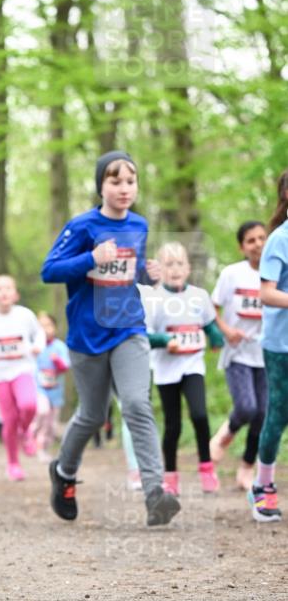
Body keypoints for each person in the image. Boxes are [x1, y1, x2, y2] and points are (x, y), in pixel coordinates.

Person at [41, 149, 180, 527]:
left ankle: (156, 493)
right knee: (92, 414)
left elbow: (128, 272)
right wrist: (90, 259)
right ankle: (64, 474)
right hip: (87, 334)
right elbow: (49, 271)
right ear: (101, 185)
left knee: (137, 403)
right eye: (114, 180)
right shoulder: (83, 226)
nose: (123, 188)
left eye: (130, 181)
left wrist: (148, 275)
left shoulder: (139, 225)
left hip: (128, 328)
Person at [142, 242, 224, 495]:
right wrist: (166, 341)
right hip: (166, 369)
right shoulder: (155, 299)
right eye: (168, 264)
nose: (175, 269)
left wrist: (216, 338)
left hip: (192, 365)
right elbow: (145, 335)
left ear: (188, 268)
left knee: (199, 415)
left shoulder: (198, 296)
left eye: (179, 263)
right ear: (161, 270)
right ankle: (171, 476)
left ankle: (206, 468)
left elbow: (209, 323)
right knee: (173, 425)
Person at [210, 221, 267, 490]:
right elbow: (211, 308)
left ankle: (246, 467)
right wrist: (226, 330)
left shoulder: (277, 273)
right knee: (246, 407)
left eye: (261, 238)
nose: (257, 244)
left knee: (263, 414)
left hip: (266, 354)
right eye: (251, 240)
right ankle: (225, 434)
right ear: (242, 247)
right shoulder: (232, 274)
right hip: (237, 353)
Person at [0, 275, 45, 480]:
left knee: (29, 405)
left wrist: (38, 346)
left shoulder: (25, 315)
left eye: (8, 288)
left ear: (16, 294)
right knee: (9, 419)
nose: (4, 292)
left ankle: (25, 430)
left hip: (22, 369)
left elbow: (39, 334)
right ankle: (13, 463)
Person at [248, 193, 288, 523]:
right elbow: (266, 293)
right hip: (281, 345)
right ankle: (262, 485)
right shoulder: (279, 239)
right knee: (278, 414)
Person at [33, 312, 70, 461]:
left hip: (55, 391)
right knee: (42, 411)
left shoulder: (59, 346)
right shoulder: (35, 347)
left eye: (48, 325)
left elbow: (66, 366)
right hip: (38, 389)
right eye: (40, 326)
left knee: (51, 424)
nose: (45, 329)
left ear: (54, 327)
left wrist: (57, 361)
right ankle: (32, 438)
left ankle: (44, 448)